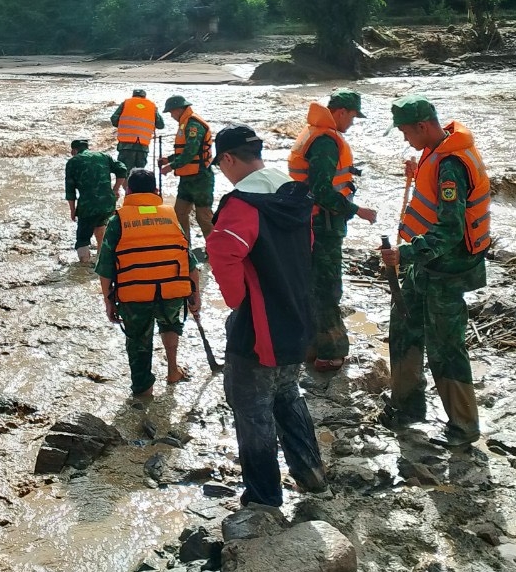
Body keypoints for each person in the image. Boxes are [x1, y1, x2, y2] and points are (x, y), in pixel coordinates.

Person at [206, 124, 326, 507]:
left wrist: (236, 299)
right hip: (296, 314)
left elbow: (223, 251)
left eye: (220, 165)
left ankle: (263, 497)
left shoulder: (242, 203)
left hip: (258, 324)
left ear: (228, 159)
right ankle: (310, 471)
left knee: (251, 406)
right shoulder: (293, 191)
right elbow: (307, 245)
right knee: (287, 393)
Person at [379, 94, 491, 448]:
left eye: (405, 131)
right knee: (404, 327)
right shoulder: (436, 149)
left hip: (446, 269)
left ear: (423, 126)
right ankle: (406, 408)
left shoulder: (451, 166)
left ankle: (463, 427)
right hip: (426, 265)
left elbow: (450, 229)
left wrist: (406, 253)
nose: (404, 138)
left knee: (445, 346)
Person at [288, 89, 378, 371]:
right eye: (352, 117)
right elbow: (322, 190)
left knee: (311, 285)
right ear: (340, 112)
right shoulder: (326, 141)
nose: (352, 123)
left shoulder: (311, 132)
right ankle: (331, 351)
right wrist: (357, 211)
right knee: (327, 289)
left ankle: (310, 347)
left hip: (307, 222)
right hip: (323, 226)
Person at [96, 168, 200, 397]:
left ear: (129, 190)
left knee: (139, 344)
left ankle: (144, 395)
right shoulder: (170, 215)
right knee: (171, 324)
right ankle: (173, 370)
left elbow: (105, 269)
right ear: (155, 190)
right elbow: (189, 261)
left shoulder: (118, 220)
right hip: (172, 291)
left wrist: (108, 302)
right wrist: (196, 296)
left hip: (135, 295)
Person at [159, 95, 214, 251]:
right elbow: (183, 151)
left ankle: (213, 250)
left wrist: (171, 166)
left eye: (171, 113)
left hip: (201, 178)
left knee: (203, 217)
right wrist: (168, 159)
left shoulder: (193, 126)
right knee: (179, 213)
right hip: (187, 179)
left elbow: (190, 152)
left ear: (178, 110)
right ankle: (185, 246)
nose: (171, 116)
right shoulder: (185, 124)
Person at [65, 139, 127, 264]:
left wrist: (72, 210)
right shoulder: (103, 156)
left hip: (88, 206)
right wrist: (115, 189)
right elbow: (122, 169)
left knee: (82, 239)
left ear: (74, 150)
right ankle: (101, 262)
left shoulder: (73, 162)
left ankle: (84, 267)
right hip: (108, 204)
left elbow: (70, 190)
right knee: (100, 229)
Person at [110, 89, 164, 170]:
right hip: (142, 147)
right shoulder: (152, 106)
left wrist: (124, 125)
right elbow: (160, 125)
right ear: (144, 96)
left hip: (126, 145)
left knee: (125, 172)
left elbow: (114, 119)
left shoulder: (126, 103)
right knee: (139, 174)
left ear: (133, 95)